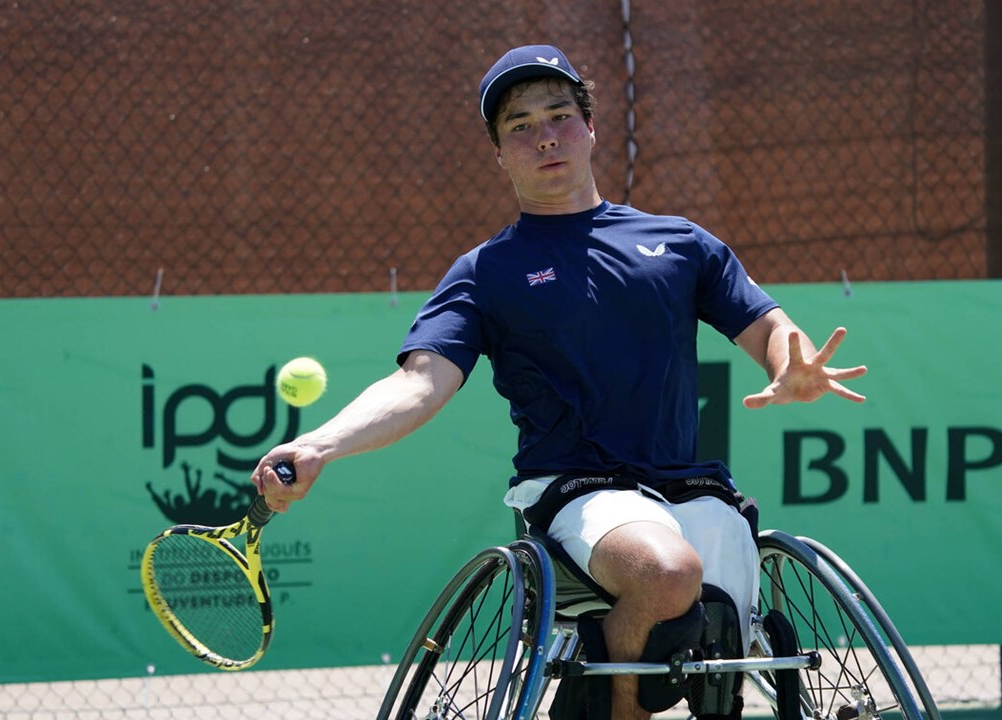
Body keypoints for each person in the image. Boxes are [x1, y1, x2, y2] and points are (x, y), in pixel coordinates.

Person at [251, 44, 867, 720]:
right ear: (500, 153)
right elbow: (420, 382)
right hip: (576, 494)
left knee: (725, 654)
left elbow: (768, 328)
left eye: (560, 115)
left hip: (693, 489)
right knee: (668, 573)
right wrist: (322, 445)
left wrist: (792, 365)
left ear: (590, 128)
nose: (544, 135)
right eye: (519, 125)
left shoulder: (681, 243)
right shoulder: (486, 271)